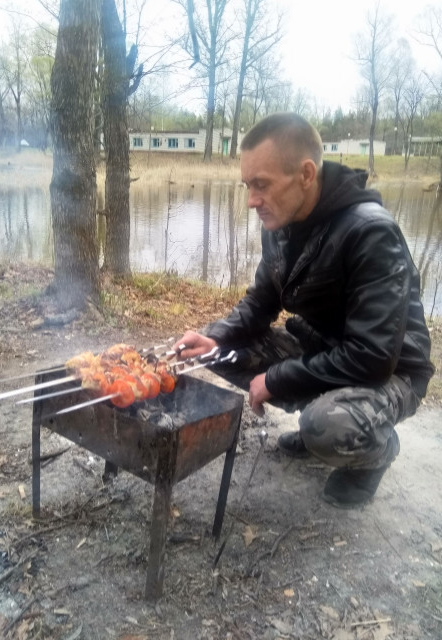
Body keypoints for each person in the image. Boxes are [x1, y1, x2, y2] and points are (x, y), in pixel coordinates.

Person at [173, 112, 434, 509]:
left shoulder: (370, 232)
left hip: (392, 371)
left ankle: (372, 451)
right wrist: (216, 336)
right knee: (214, 352)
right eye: (247, 185)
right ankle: (319, 421)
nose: (251, 201)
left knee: (328, 426)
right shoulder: (280, 225)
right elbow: (261, 302)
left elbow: (374, 356)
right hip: (323, 349)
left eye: (261, 185)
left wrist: (277, 379)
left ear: (306, 174)